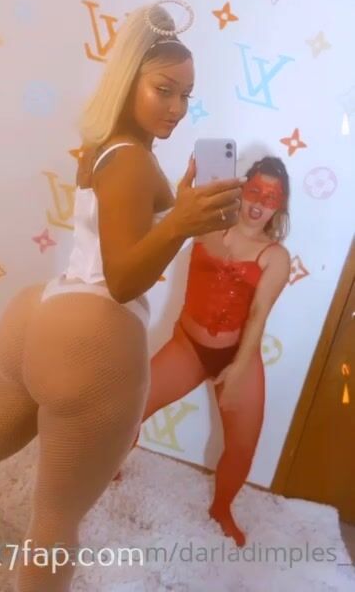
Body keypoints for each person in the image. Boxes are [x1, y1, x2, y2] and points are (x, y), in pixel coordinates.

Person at [0, 0, 245, 592]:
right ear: (129, 79)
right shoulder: (132, 163)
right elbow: (123, 280)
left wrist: (181, 209)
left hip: (40, 314)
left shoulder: (108, 147)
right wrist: (178, 223)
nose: (177, 108)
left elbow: (134, 223)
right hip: (94, 339)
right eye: (164, 90)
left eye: (187, 96)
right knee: (56, 519)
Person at [115, 156, 291, 548]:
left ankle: (221, 509)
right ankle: (108, 468)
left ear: (280, 206)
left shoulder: (275, 256)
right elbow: (170, 221)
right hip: (187, 347)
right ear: (241, 190)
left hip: (239, 355)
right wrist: (186, 190)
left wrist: (238, 370)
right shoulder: (207, 225)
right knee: (129, 410)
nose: (260, 203)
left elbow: (258, 315)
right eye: (255, 191)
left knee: (243, 446)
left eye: (271, 197)